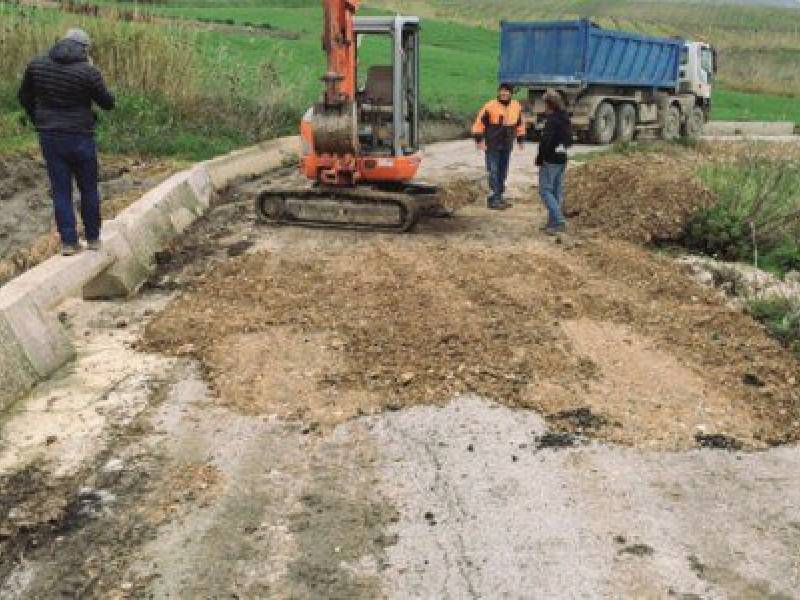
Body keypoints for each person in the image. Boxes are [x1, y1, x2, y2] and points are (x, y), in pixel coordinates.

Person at [18, 28, 115, 256]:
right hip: (80, 135)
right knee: (88, 188)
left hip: (50, 136)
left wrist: (38, 118)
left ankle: (69, 242)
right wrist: (93, 74)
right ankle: (92, 238)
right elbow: (107, 102)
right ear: (84, 49)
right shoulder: (87, 71)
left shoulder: (37, 65)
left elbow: (24, 97)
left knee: (61, 190)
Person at [472, 83, 526, 210]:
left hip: (507, 144)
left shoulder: (516, 106)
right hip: (492, 144)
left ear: (511, 93)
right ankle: (493, 198)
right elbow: (479, 123)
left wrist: (521, 139)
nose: (504, 93)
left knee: (503, 171)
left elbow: (520, 124)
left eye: (507, 91)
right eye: (502, 91)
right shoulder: (490, 106)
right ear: (498, 92)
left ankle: (499, 196)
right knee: (493, 171)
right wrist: (479, 139)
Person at [535, 92, 573, 235]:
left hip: (550, 159)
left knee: (545, 190)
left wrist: (540, 157)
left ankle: (559, 220)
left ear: (549, 104)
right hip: (562, 158)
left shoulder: (552, 121)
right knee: (557, 191)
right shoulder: (565, 118)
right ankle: (552, 225)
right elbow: (569, 141)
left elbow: (546, 141)